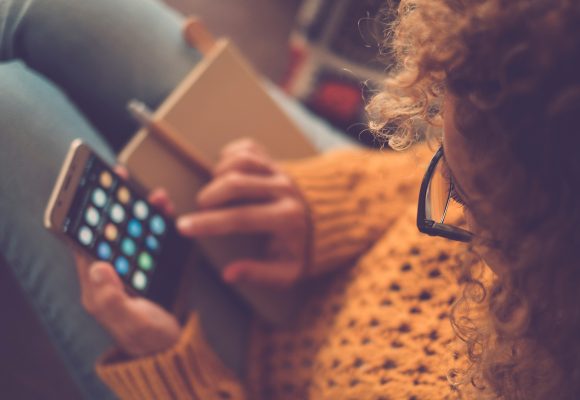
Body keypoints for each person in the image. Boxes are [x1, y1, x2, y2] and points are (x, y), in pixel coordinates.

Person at [3, 1, 579, 400]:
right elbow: (427, 176)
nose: (442, 193)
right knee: (51, 10)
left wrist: (171, 368)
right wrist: (326, 206)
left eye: (460, 192)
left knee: (10, 108)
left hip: (232, 370)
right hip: (353, 235)